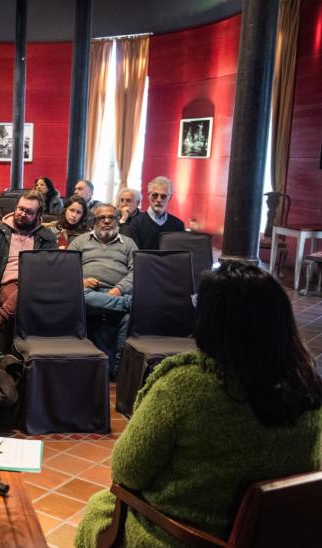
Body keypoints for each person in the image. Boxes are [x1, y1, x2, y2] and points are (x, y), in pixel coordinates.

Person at [75, 261, 322, 547]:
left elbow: (128, 471)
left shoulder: (185, 384)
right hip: (273, 536)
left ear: (211, 319)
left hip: (183, 536)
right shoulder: (308, 387)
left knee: (100, 508)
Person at [0, 190, 57, 342]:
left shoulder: (47, 237)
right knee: (24, 304)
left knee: (28, 291)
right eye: (20, 209)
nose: (22, 213)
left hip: (36, 286)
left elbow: (49, 271)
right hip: (5, 284)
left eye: (29, 212)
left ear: (38, 215)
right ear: (15, 208)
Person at [68, 204, 137, 376]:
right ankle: (127, 304)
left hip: (117, 291)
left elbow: (137, 271)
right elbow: (66, 270)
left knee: (128, 318)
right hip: (89, 294)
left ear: (117, 221)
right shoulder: (80, 241)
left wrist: (120, 289)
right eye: (101, 218)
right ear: (94, 222)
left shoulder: (128, 243)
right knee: (81, 296)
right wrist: (80, 281)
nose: (107, 221)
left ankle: (118, 369)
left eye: (111, 217)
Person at [125, 176, 186, 250]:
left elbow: (180, 255)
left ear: (169, 198)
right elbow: (134, 255)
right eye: (155, 195)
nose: (159, 199)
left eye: (163, 196)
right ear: (148, 196)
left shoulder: (178, 225)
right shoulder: (136, 223)